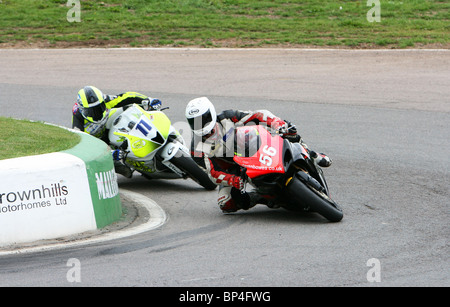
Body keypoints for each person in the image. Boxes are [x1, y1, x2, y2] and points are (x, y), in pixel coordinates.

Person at [185, 97, 332, 213]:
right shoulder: (196, 149)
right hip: (233, 169)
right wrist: (233, 179)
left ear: (211, 113)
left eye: (203, 119)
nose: (201, 124)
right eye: (195, 122)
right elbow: (213, 173)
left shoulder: (227, 117)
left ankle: (313, 154)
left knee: (289, 131)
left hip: (252, 146)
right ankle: (262, 197)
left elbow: (257, 115)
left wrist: (277, 123)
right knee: (226, 203)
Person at [72, 85, 162, 178]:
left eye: (99, 107)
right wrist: (109, 154)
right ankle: (117, 165)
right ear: (82, 109)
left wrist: (148, 100)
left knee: (128, 109)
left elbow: (127, 96)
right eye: (91, 111)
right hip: (96, 140)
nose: (96, 113)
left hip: (108, 125)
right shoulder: (78, 119)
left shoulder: (106, 100)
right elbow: (81, 146)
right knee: (98, 159)